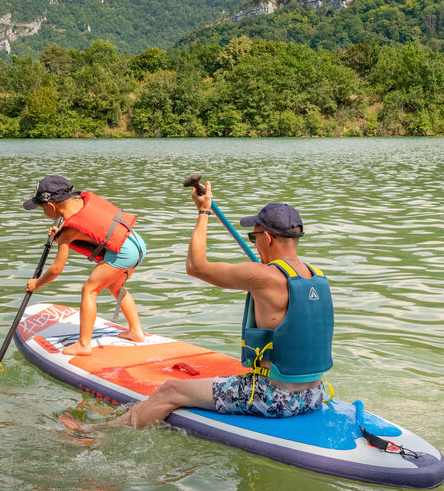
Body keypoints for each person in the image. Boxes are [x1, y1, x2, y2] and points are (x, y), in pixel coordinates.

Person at [70, 181, 333, 430]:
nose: (255, 244)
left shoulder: (264, 276)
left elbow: (195, 267)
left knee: (171, 390)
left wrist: (203, 211)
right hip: (314, 394)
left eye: (253, 238)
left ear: (267, 237)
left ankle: (97, 431)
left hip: (274, 399)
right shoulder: (318, 277)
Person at [23, 175, 146, 356]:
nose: (43, 212)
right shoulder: (83, 201)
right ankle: (135, 331)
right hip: (136, 243)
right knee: (116, 286)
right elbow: (93, 228)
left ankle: (84, 345)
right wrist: (61, 231)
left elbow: (57, 269)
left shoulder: (68, 232)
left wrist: (37, 283)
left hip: (123, 252)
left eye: (42, 208)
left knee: (89, 290)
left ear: (51, 206)